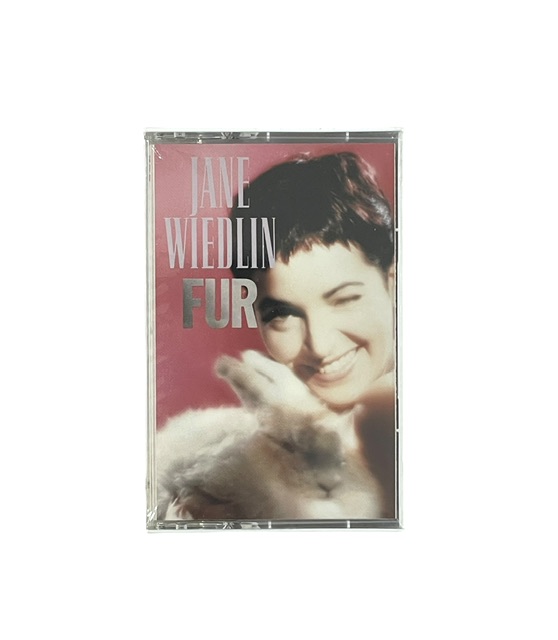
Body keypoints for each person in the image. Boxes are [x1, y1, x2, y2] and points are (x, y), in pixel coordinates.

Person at [229, 151, 397, 517]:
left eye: (344, 300)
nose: (319, 345)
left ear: (394, 283)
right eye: (282, 315)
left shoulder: (382, 414)